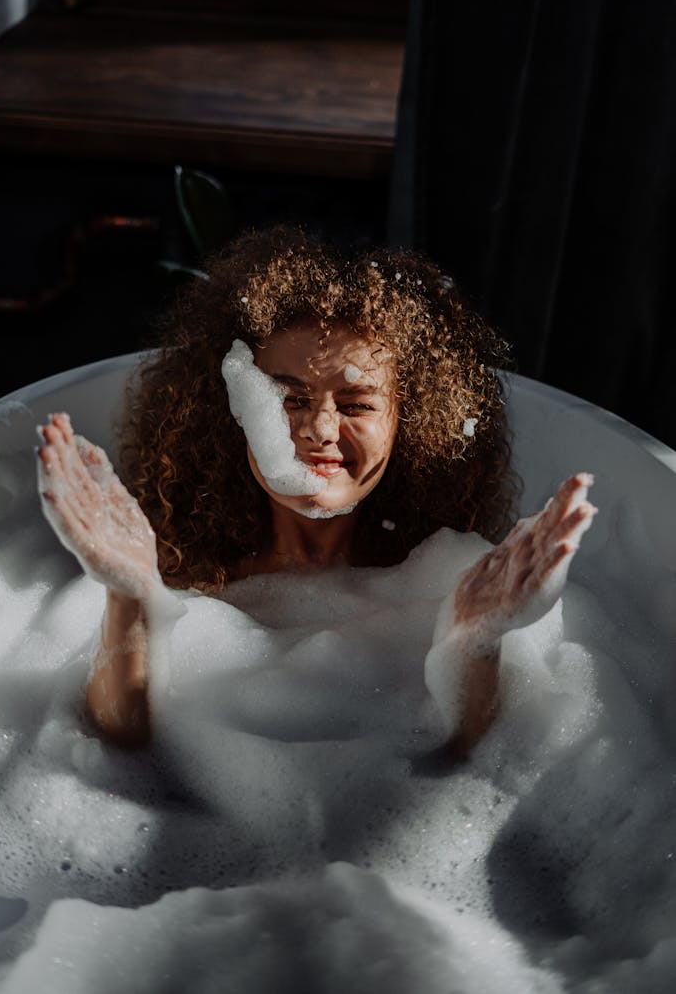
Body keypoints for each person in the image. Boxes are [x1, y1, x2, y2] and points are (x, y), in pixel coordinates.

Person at [36, 225, 595, 755]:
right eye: (289, 398)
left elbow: (468, 762)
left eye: (355, 405)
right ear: (232, 409)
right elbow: (123, 747)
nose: (320, 430)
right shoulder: (184, 569)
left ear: (413, 423)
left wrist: (476, 640)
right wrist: (130, 595)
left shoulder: (443, 579)